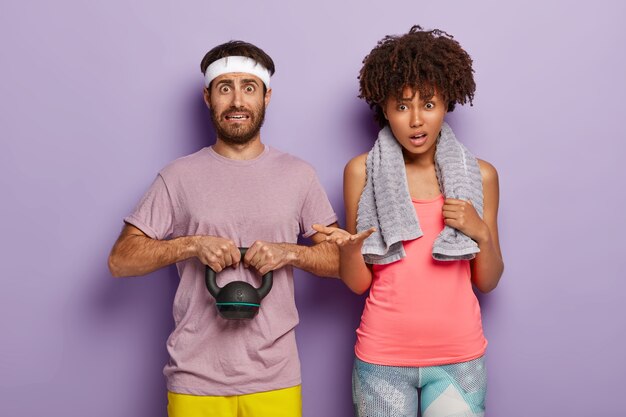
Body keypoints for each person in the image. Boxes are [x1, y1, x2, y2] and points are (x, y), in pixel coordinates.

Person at [108, 40, 339, 417]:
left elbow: (339, 261)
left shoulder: (299, 175)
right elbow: (120, 260)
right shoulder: (177, 176)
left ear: (266, 95)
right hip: (195, 378)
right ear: (207, 96)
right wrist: (190, 245)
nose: (236, 101)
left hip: (275, 378)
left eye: (248, 88)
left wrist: (290, 252)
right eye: (224, 87)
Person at [313, 26, 504, 417]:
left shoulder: (480, 176)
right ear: (383, 109)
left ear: (447, 103)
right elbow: (358, 283)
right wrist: (350, 250)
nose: (416, 120)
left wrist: (480, 232)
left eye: (428, 105)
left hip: (459, 356)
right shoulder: (362, 172)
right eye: (401, 106)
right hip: (382, 357)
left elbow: (488, 280)